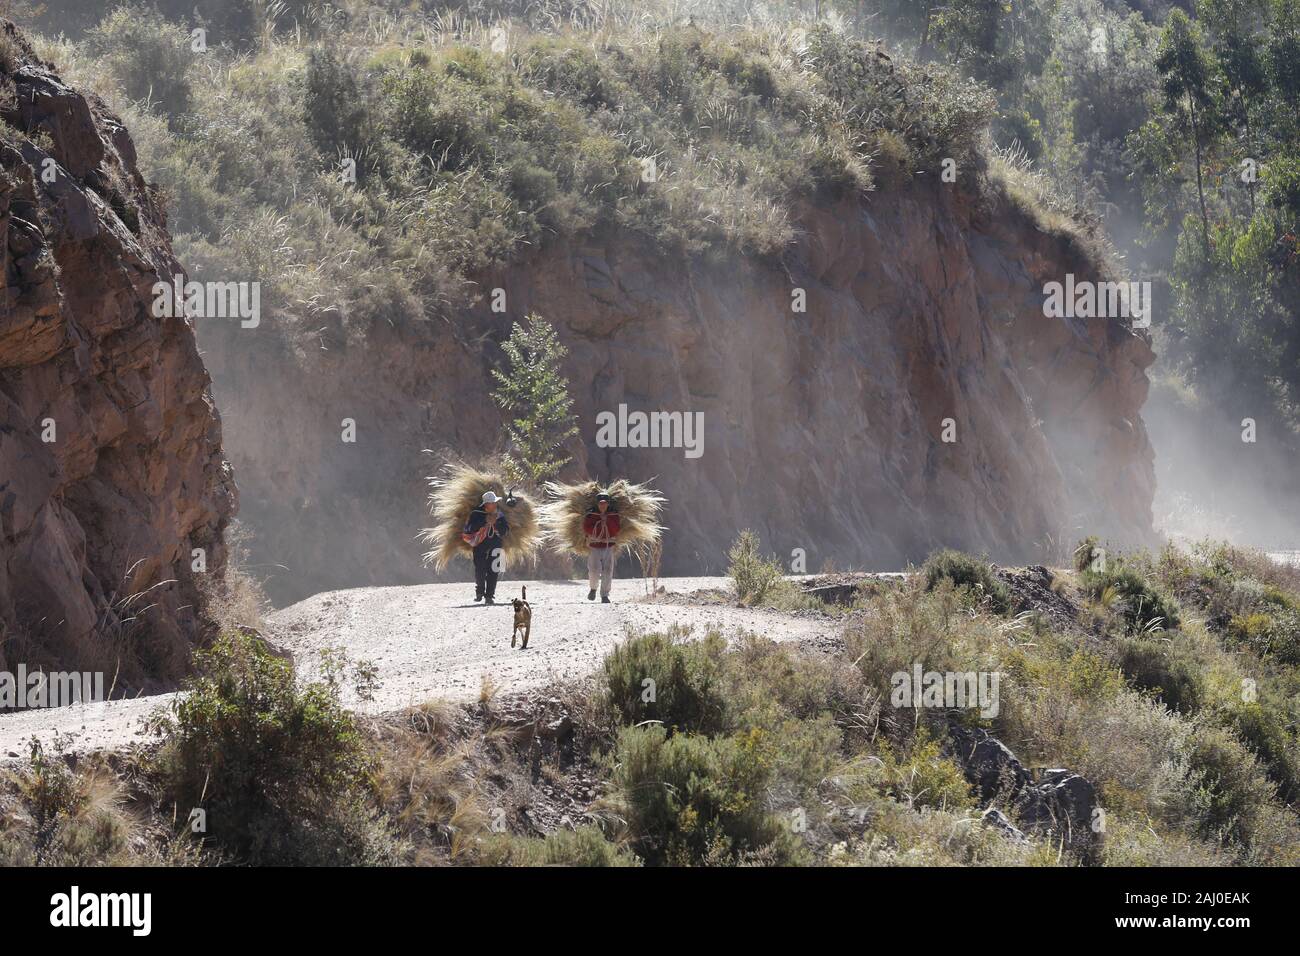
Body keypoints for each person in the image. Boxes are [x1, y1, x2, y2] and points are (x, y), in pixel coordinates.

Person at [462, 491, 510, 604]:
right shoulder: (475, 514)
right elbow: (469, 528)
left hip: (497, 544)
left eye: (495, 502)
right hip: (479, 545)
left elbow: (506, 531)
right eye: (492, 503)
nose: (495, 505)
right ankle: (479, 593)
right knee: (480, 569)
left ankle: (489, 596)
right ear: (486, 504)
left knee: (495, 570)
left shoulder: (500, 515)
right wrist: (485, 521)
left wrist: (496, 523)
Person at [583, 493, 621, 603]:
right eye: (600, 504)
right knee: (594, 570)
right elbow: (587, 528)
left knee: (608, 570)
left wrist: (606, 521)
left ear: (608, 504)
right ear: (597, 504)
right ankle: (593, 589)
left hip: (608, 546)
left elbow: (616, 528)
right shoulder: (591, 514)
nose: (602, 506)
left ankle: (604, 595)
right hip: (594, 546)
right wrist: (600, 523)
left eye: (604, 504)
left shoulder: (613, 515)